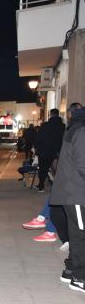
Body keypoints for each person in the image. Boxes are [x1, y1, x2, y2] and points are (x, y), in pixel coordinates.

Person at [49, 106, 85, 293]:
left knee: (77, 233)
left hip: (74, 192)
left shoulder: (76, 128)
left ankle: (71, 271)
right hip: (77, 193)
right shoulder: (82, 130)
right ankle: (80, 277)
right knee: (81, 235)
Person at [35, 108, 65, 192]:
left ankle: (41, 186)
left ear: (50, 115)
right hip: (55, 152)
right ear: (58, 114)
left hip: (43, 151)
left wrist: (37, 148)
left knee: (42, 168)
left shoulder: (45, 125)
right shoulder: (62, 126)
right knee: (53, 168)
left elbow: (38, 138)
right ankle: (57, 187)